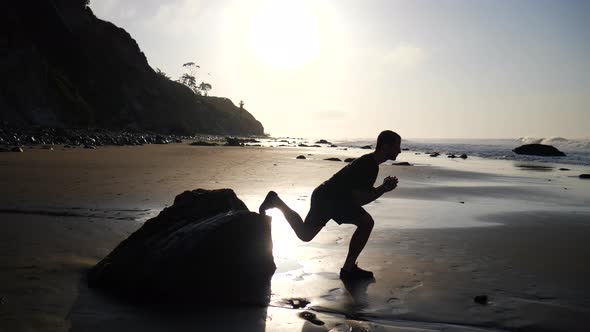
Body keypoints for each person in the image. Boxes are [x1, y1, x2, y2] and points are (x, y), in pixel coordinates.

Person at [259, 130, 401, 280]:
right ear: (385, 146)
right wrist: (383, 188)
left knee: (305, 234)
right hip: (328, 200)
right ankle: (348, 269)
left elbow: (361, 195)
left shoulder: (371, 163)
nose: (399, 150)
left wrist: (382, 188)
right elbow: (360, 199)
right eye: (397, 146)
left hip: (332, 199)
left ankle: (276, 201)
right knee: (365, 223)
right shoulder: (369, 165)